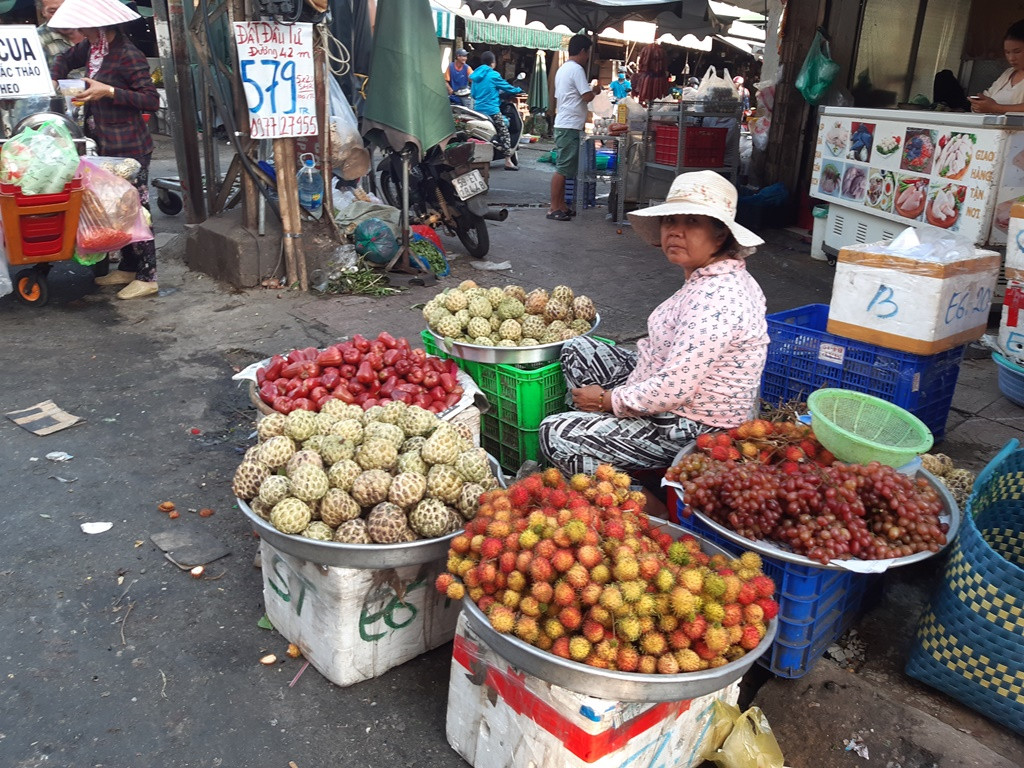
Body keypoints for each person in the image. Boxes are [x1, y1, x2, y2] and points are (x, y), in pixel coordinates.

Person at [539, 171, 769, 483]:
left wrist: (606, 401)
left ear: (720, 235)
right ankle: (613, 440)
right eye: (670, 221)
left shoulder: (718, 298)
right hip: (673, 393)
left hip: (696, 425)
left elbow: (673, 389)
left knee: (555, 433)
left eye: (691, 222)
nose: (676, 232)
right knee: (577, 347)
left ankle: (649, 507)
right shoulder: (712, 275)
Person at [48, 0, 161, 300]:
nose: (79, 31)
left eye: (84, 26)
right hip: (103, 143)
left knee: (138, 209)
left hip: (130, 146)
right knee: (115, 208)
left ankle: (148, 276)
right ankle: (127, 266)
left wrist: (108, 91)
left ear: (100, 26)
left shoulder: (128, 55)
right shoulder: (92, 47)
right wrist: (57, 83)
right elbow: (62, 59)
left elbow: (150, 100)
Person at [547, 34, 601, 221]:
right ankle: (553, 208)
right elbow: (586, 96)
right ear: (582, 51)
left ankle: (561, 205)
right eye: (587, 53)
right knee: (563, 168)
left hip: (566, 123)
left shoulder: (564, 69)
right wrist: (595, 89)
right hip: (568, 125)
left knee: (567, 168)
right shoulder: (576, 69)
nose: (588, 58)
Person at [469, 51, 522, 171]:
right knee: (504, 132)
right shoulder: (493, 75)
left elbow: (473, 94)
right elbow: (507, 87)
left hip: (477, 111)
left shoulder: (475, 76)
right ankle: (508, 161)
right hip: (491, 110)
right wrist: (518, 90)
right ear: (493, 63)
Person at [971, 19, 1024, 114]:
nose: (1011, 58)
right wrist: (979, 105)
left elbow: (994, 107)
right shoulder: (1008, 73)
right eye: (1007, 52)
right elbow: (989, 97)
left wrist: (997, 108)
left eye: (1017, 52)